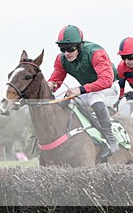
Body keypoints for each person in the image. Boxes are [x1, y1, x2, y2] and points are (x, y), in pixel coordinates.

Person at [47, 25, 120, 159]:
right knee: (62, 99)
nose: (67, 53)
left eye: (71, 48)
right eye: (62, 49)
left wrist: (80, 90)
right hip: (90, 89)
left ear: (80, 45)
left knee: (93, 97)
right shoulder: (61, 59)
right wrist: (50, 85)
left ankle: (111, 141)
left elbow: (106, 81)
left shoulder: (96, 53)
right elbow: (56, 81)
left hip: (111, 88)